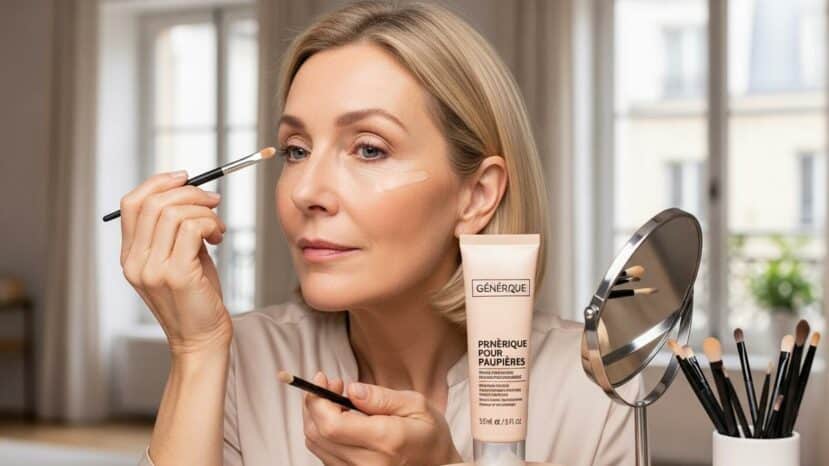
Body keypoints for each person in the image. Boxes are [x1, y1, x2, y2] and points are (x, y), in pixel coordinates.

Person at [126, 2, 638, 465]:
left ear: (477, 195)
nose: (307, 191)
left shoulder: (592, 387)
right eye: (296, 150)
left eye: (369, 149)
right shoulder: (239, 362)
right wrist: (195, 349)